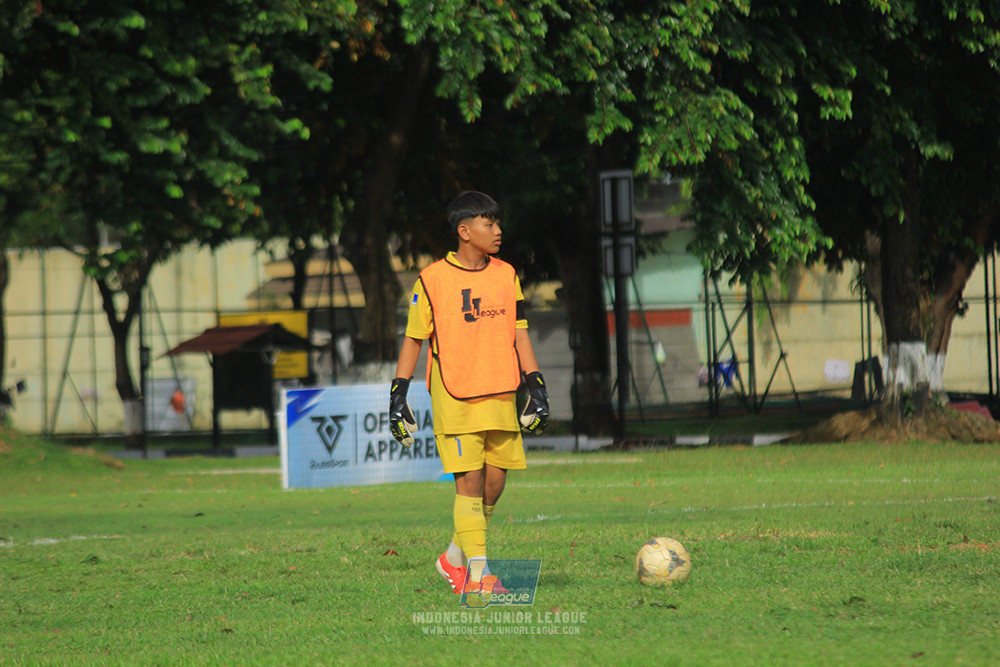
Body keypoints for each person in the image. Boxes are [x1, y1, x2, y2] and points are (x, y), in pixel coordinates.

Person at [389, 190, 549, 596]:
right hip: (455, 395)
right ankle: (478, 575)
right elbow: (413, 339)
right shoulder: (430, 280)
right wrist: (398, 394)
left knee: (494, 484)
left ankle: (453, 557)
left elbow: (520, 332)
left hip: (500, 392)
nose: (498, 230)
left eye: (497, 223)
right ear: (465, 231)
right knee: (469, 484)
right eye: (488, 223)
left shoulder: (507, 274)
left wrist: (536, 385)